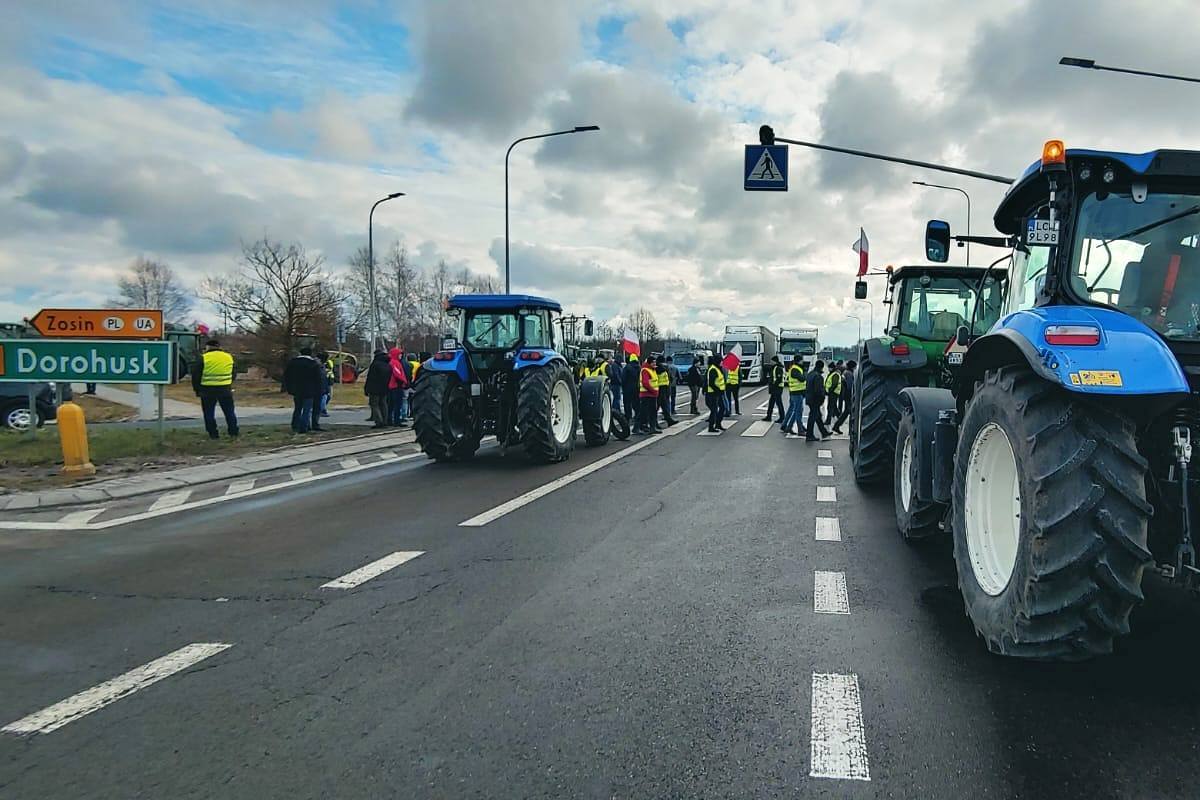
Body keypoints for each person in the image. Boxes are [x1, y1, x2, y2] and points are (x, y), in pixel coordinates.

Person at [191, 338, 239, 440]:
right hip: (225, 389)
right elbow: (234, 373)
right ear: (219, 347)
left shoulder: (203, 358)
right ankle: (233, 432)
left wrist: (197, 390)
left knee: (209, 413)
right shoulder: (228, 357)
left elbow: (195, 376)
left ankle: (213, 434)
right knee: (229, 412)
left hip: (207, 390)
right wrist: (228, 383)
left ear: (207, 347)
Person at [283, 346, 325, 434]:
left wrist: (289, 388)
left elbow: (286, 376)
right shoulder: (313, 364)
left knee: (297, 408)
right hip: (309, 390)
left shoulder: (292, 362)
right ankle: (304, 427)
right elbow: (318, 378)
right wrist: (320, 390)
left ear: (300, 353)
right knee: (307, 409)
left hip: (296, 389)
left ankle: (295, 425)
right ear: (310, 354)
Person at [363, 349, 391, 428]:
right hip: (385, 387)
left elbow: (370, 378)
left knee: (374, 404)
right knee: (384, 404)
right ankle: (385, 421)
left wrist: (366, 389)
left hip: (374, 388)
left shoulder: (375, 364)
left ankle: (379, 421)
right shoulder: (387, 364)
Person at [806, 359, 832, 442]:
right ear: (822, 367)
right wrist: (822, 398)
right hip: (815, 400)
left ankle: (824, 432)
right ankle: (809, 435)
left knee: (817, 416)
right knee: (813, 417)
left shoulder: (810, 374)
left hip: (810, 398)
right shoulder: (818, 376)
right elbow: (818, 390)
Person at [780, 358, 807, 436]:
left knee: (795, 411)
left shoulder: (794, 368)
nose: (803, 361)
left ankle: (788, 426)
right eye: (802, 360)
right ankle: (800, 430)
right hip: (797, 393)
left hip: (795, 392)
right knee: (798, 412)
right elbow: (802, 379)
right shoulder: (795, 369)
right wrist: (805, 372)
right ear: (799, 361)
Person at [638, 355, 661, 434]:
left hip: (652, 395)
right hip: (646, 395)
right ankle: (644, 427)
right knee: (645, 412)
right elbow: (645, 383)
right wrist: (653, 391)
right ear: (649, 363)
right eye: (653, 362)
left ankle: (652, 428)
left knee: (652, 412)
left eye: (655, 362)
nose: (655, 364)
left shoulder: (652, 370)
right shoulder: (645, 370)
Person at [387, 346, 410, 426]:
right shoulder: (395, 363)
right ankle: (396, 421)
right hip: (396, 386)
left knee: (392, 404)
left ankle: (390, 419)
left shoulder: (392, 362)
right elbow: (398, 374)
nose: (401, 355)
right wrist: (404, 381)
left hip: (393, 386)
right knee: (397, 404)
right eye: (399, 354)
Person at [832, 360, 856, 434]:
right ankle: (849, 430)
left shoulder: (845, 372)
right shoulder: (849, 373)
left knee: (847, 411)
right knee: (850, 411)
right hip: (848, 395)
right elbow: (850, 386)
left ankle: (837, 426)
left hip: (845, 394)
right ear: (852, 367)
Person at [705, 354, 727, 432]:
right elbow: (711, 383)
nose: (722, 362)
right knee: (714, 410)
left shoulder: (718, 368)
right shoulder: (713, 369)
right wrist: (718, 390)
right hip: (713, 393)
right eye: (721, 361)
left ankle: (718, 424)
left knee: (722, 408)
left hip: (718, 393)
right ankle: (711, 427)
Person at [622, 353, 641, 432]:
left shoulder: (627, 367)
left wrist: (623, 387)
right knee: (636, 405)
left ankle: (627, 418)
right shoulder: (639, 367)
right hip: (637, 389)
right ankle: (637, 418)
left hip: (627, 389)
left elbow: (623, 378)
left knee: (627, 404)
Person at [763, 355, 785, 422]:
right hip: (775, 388)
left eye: (771, 361)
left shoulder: (778, 368)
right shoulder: (775, 367)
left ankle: (782, 417)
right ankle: (769, 416)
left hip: (777, 388)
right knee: (772, 403)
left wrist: (774, 385)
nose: (770, 362)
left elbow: (779, 378)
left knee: (779, 403)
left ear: (774, 361)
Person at [657, 358, 677, 427]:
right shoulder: (666, 368)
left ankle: (655, 423)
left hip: (658, 389)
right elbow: (671, 378)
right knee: (664, 405)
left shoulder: (655, 368)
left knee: (657, 407)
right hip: (666, 388)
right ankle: (669, 420)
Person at [318, 350, 334, 418]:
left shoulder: (328, 362)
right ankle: (322, 410)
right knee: (325, 396)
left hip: (329, 380)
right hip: (326, 381)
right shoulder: (321, 365)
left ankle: (321, 409)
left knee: (327, 396)